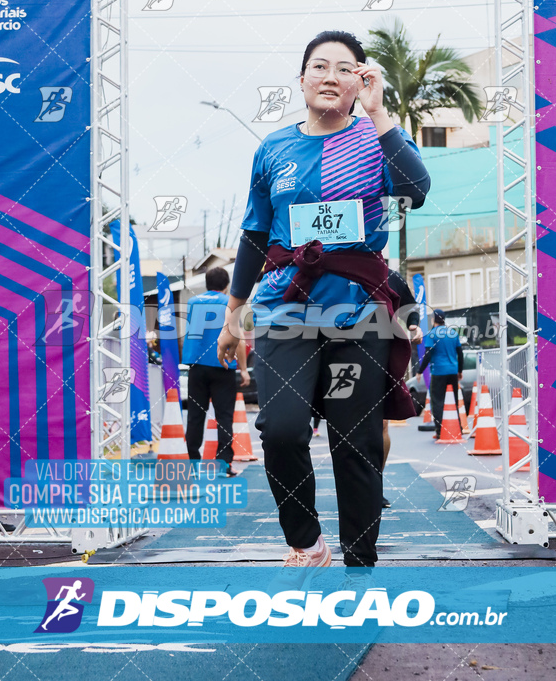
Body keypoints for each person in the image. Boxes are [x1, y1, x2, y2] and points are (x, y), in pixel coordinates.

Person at [217, 30, 430, 571]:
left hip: (357, 312)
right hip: (285, 309)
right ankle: (306, 542)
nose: (330, 76)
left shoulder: (376, 140)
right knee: (281, 428)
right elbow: (252, 237)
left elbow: (417, 188)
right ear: (303, 78)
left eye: (344, 69)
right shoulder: (274, 149)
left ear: (361, 80)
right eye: (319, 66)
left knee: (354, 439)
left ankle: (361, 558)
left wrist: (381, 116)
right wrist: (231, 317)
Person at [182, 267, 250, 476]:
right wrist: (244, 370)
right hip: (222, 365)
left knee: (195, 416)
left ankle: (192, 464)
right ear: (227, 284)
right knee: (224, 416)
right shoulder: (230, 303)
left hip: (196, 365)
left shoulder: (193, 302)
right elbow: (236, 336)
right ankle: (223, 465)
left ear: (206, 284)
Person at [381, 269, 424, 507]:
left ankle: (375, 482)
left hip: (382, 357)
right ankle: (353, 483)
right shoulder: (332, 267)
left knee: (382, 423)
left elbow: (409, 307)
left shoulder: (389, 275)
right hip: (340, 359)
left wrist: (414, 326)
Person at [417, 309, 463, 439]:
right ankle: (457, 428)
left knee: (437, 401)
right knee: (453, 400)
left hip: (438, 372)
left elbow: (428, 355)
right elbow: (460, 353)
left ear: (433, 319)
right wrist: (460, 370)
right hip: (452, 371)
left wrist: (420, 371)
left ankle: (440, 431)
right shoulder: (453, 333)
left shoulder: (432, 334)